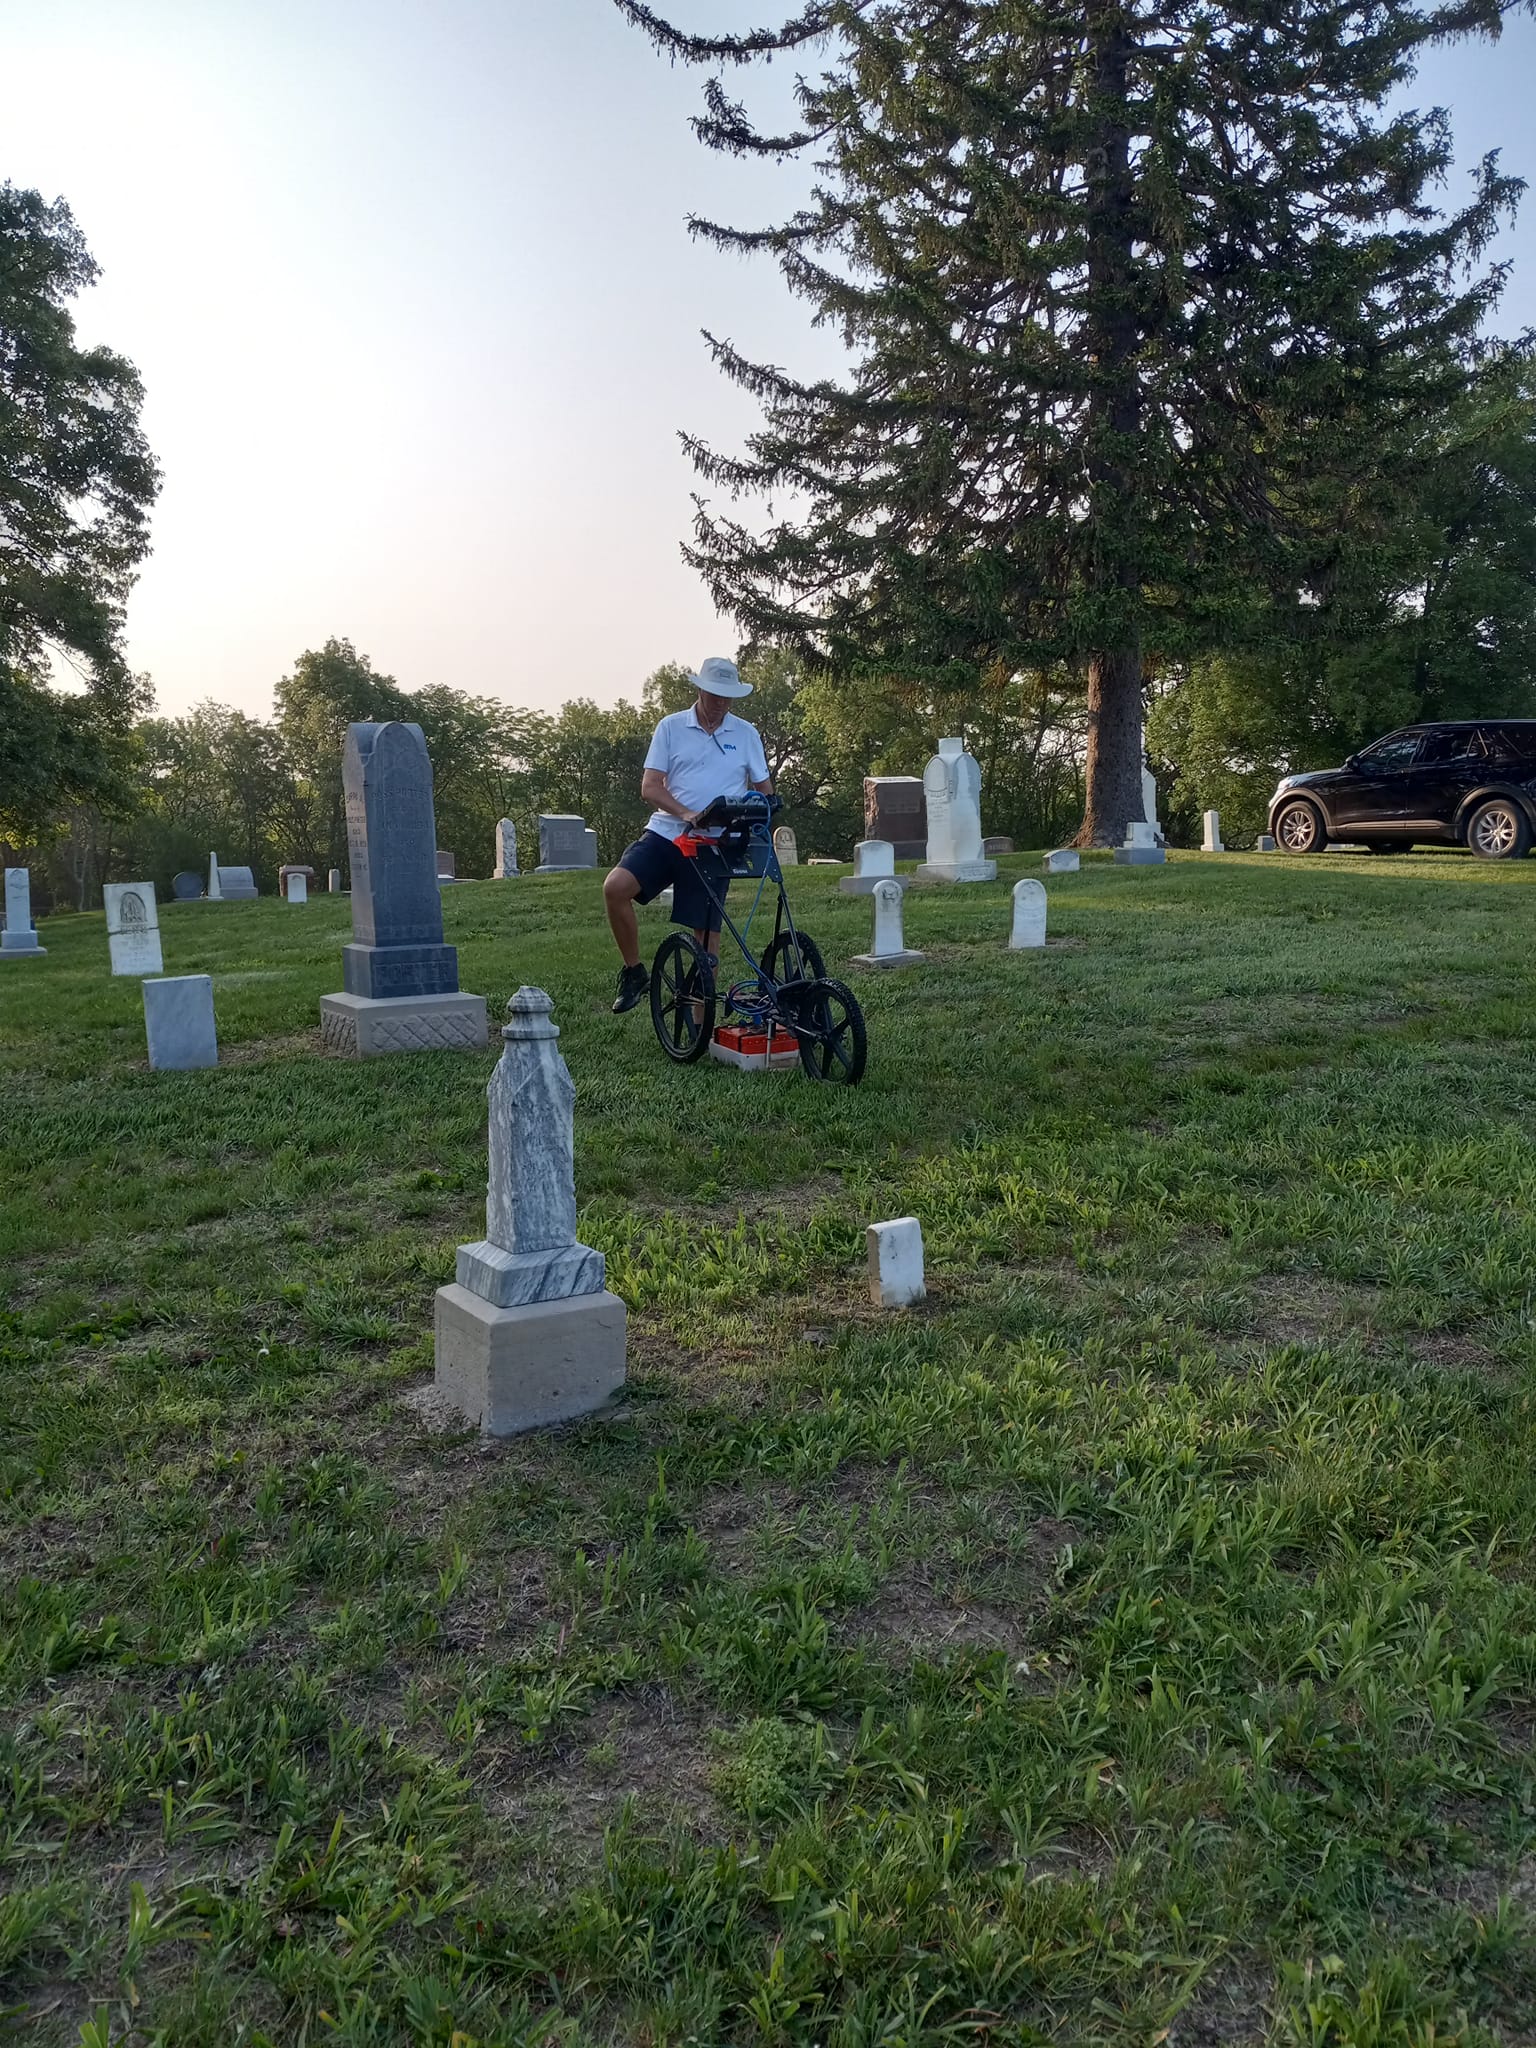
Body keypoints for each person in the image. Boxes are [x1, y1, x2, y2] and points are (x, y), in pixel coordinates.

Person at [604, 656, 773, 1013]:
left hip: (715, 844)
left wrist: (756, 813)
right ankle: (634, 972)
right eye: (715, 696)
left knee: (707, 934)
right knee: (615, 888)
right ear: (700, 689)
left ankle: (701, 1026)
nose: (722, 705)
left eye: (728, 698)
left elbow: (764, 789)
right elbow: (650, 787)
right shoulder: (671, 727)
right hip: (667, 833)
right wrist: (685, 813)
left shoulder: (746, 734)